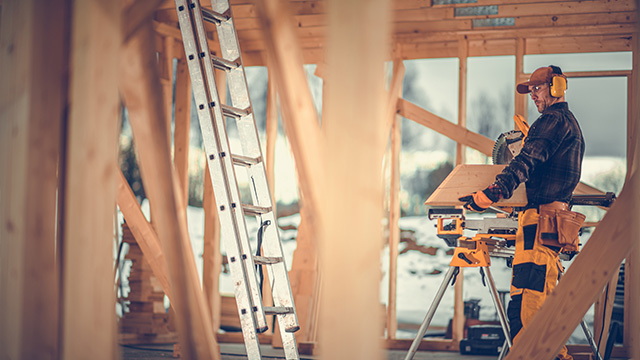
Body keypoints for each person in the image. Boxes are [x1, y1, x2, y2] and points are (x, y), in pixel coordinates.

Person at [458, 65, 585, 360]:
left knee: (529, 305)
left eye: (538, 89)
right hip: (551, 222)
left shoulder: (552, 121)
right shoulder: (567, 123)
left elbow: (524, 163)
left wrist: (491, 193)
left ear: (557, 87)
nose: (533, 96)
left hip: (540, 222)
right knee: (537, 300)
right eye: (530, 91)